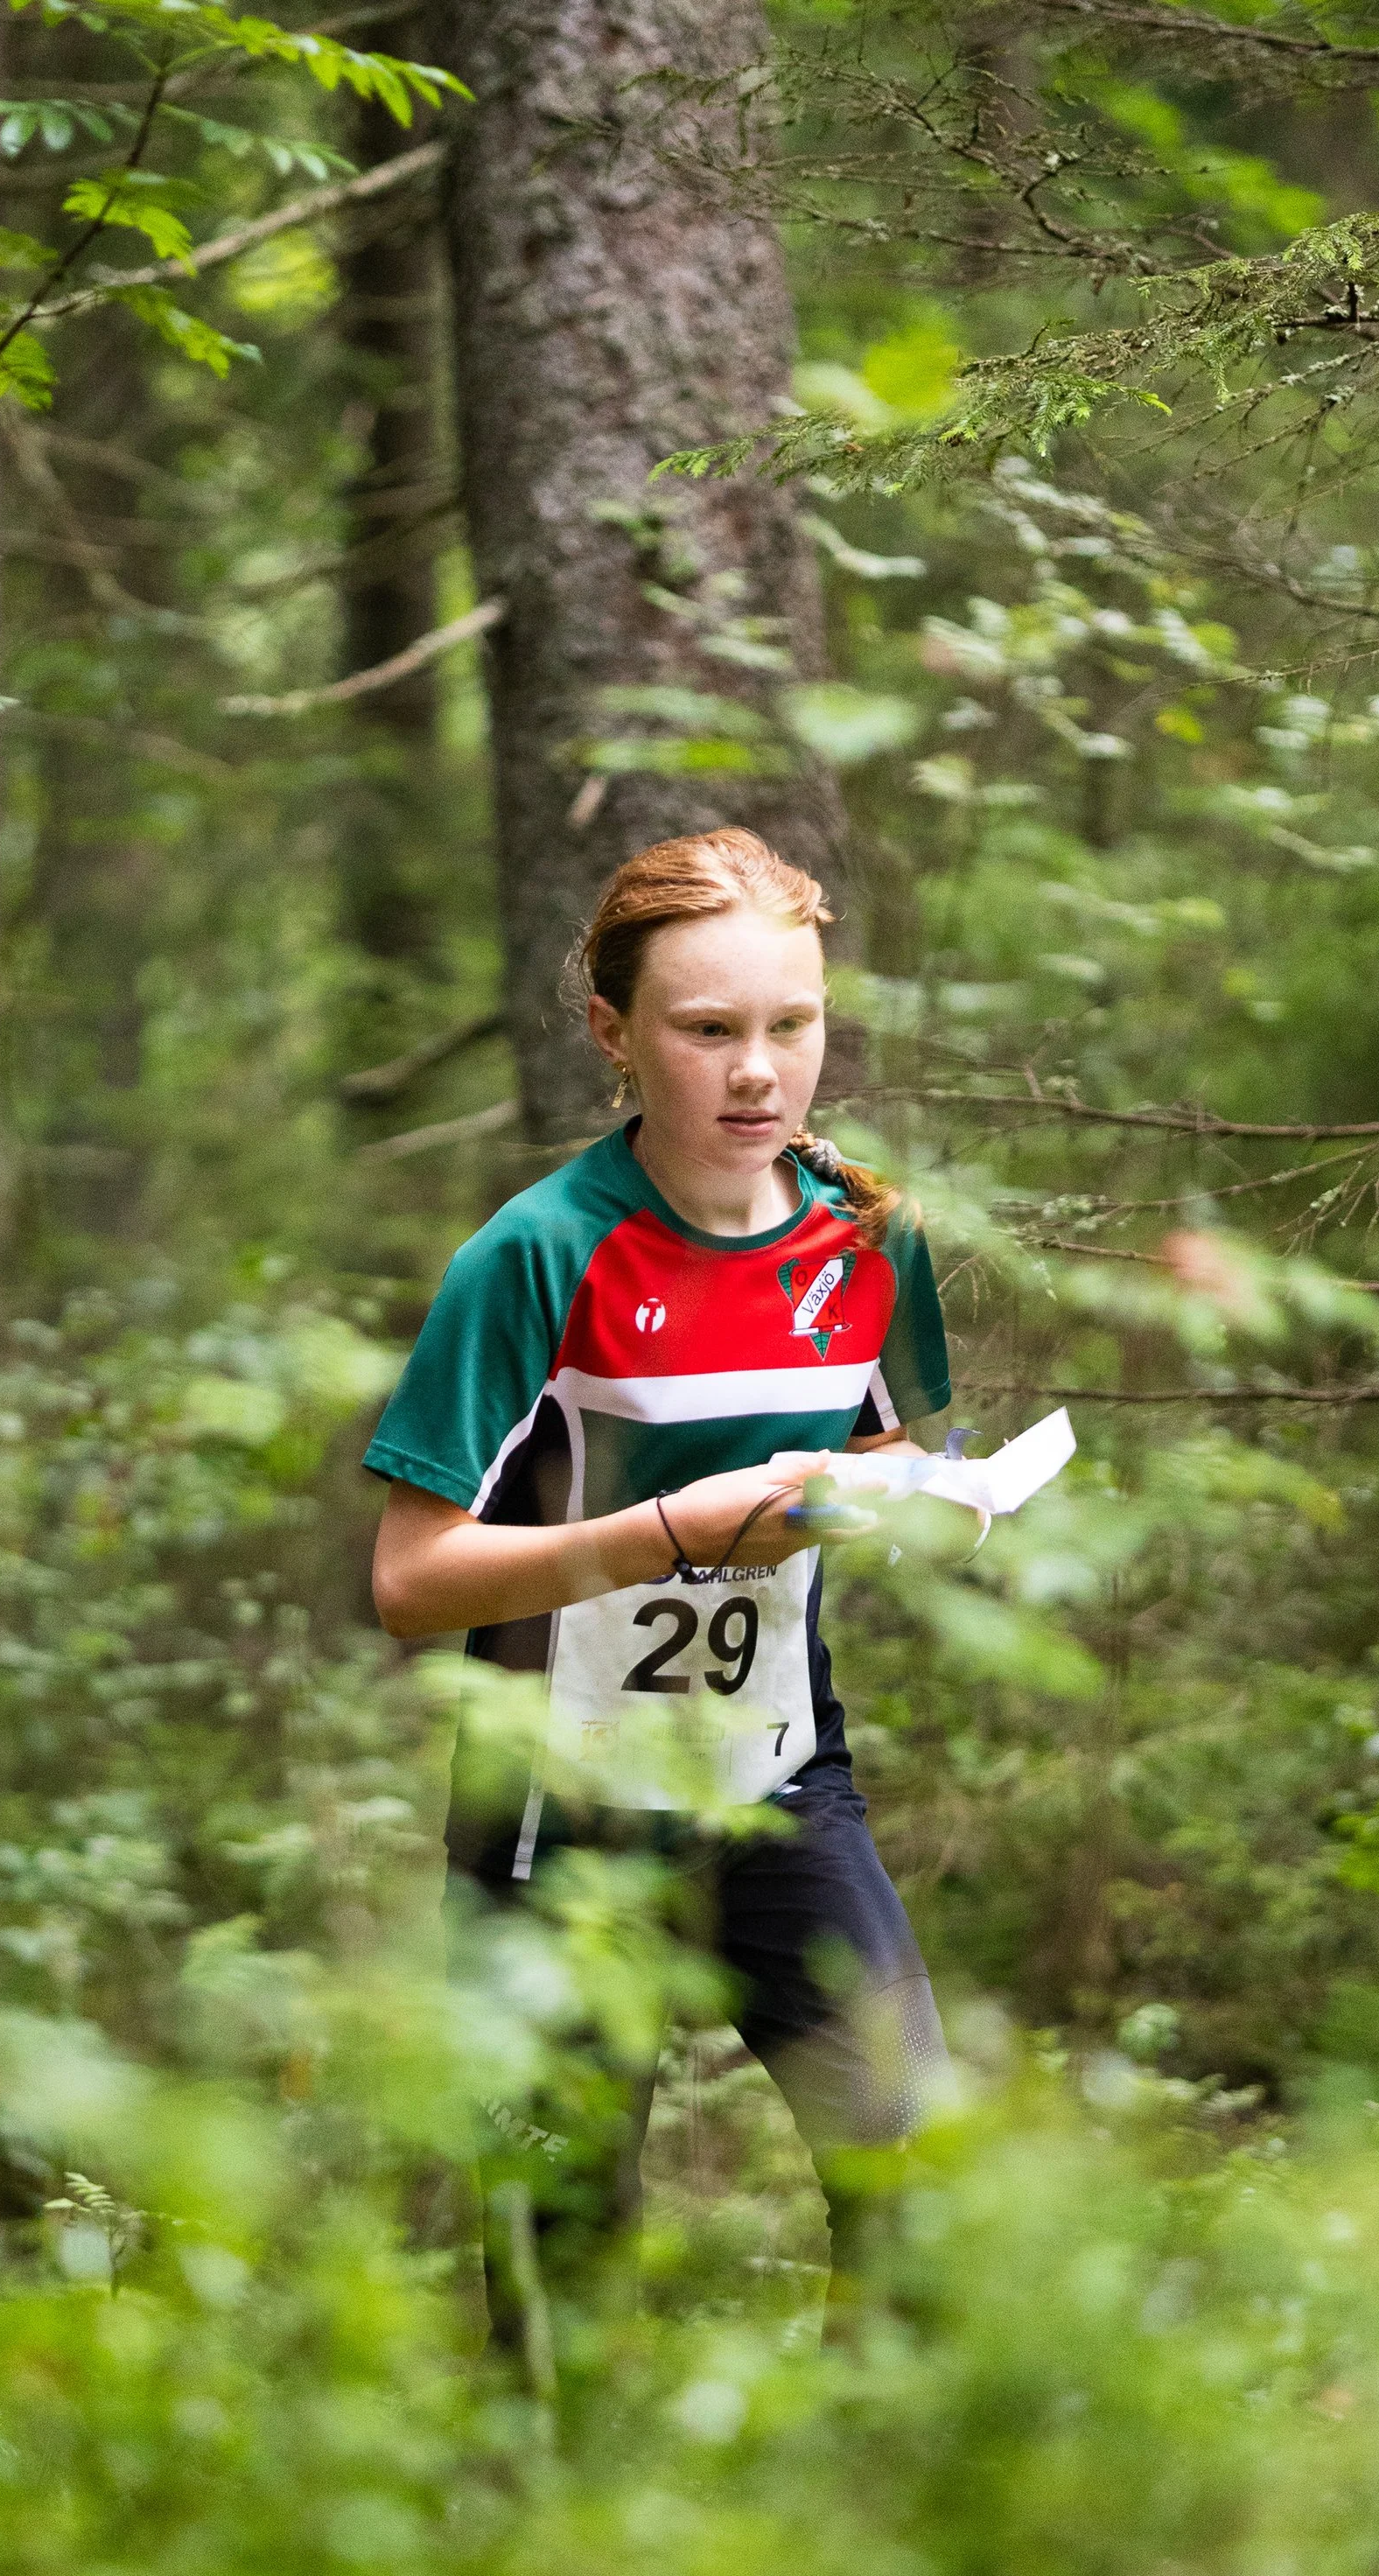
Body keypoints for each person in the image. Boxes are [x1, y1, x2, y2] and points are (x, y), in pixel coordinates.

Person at [364, 827, 955, 2353]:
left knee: (915, 2168)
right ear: (615, 1036)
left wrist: (891, 1502)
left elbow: (888, 1453)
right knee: (566, 2274)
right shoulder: (535, 1258)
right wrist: (667, 1534)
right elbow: (412, 1583)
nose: (759, 1072)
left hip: (781, 1787)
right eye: (709, 1032)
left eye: (792, 1026)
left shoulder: (870, 1241)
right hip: (560, 1817)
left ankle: (859, 2514)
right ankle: (550, 2548)